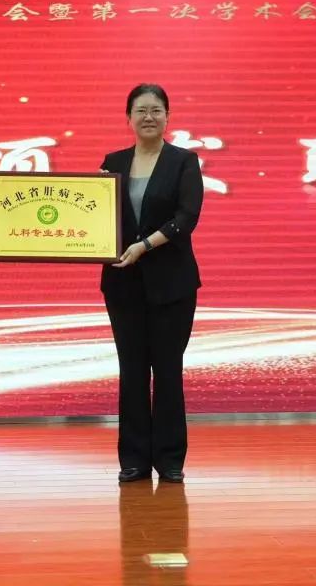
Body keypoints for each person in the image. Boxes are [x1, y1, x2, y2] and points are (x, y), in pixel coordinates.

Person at [100, 83, 204, 484]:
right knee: (131, 370)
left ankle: (170, 459)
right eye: (141, 110)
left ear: (167, 117)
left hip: (172, 284)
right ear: (128, 117)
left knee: (167, 369)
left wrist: (144, 245)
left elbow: (186, 217)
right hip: (122, 283)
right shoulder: (112, 162)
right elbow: (97, 218)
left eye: (156, 110)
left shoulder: (183, 161)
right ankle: (134, 459)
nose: (149, 117)